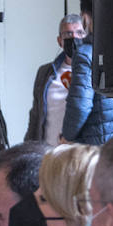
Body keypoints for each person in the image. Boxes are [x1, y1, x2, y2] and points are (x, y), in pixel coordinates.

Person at [60, 0, 113, 146]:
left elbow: (79, 105)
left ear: (84, 18)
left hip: (93, 143)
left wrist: (67, 137)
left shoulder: (86, 53)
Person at [24, 15, 85, 144]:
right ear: (60, 40)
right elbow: (35, 115)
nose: (74, 38)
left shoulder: (93, 72)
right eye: (68, 34)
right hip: (48, 150)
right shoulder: (45, 72)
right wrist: (28, 147)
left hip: (80, 152)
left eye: (79, 33)